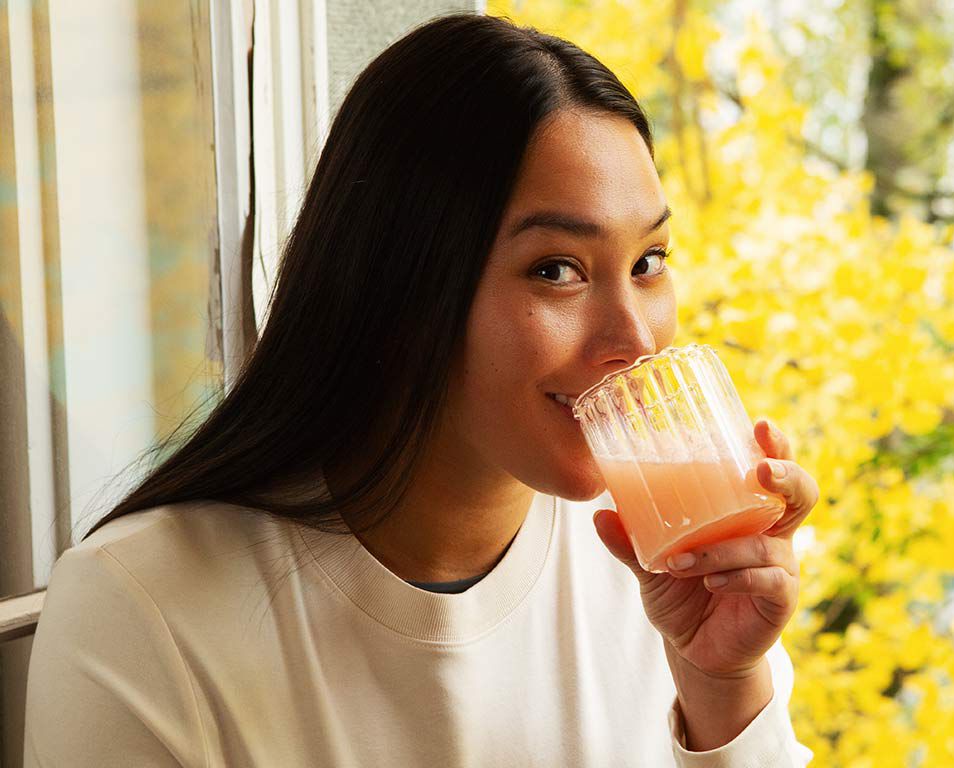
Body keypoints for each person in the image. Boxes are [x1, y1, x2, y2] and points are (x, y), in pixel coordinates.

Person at [22, 11, 820, 768]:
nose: (635, 340)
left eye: (649, 262)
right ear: (401, 290)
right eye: (556, 270)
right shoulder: (144, 610)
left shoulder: (664, 577)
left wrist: (722, 687)